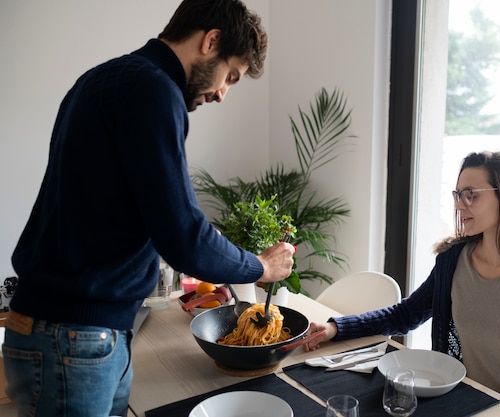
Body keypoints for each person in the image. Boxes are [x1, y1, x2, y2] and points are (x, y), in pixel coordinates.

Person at [3, 1, 295, 416]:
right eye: (230, 75)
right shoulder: (153, 90)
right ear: (211, 41)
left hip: (80, 333)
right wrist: (260, 267)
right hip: (73, 337)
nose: (222, 94)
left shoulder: (104, 78)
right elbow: (183, 235)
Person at [305, 151, 500, 417]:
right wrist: (337, 328)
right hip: (460, 403)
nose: (458, 205)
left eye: (471, 195)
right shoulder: (454, 260)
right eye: (457, 194)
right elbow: (406, 314)